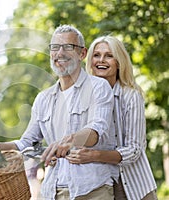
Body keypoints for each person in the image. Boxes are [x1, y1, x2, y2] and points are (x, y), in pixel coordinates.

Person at [0, 24, 118, 200]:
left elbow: (95, 131)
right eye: (55, 47)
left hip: (92, 190)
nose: (60, 53)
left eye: (68, 47)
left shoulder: (98, 87)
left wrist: (67, 141)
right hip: (53, 191)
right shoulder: (43, 99)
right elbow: (27, 144)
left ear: (82, 54)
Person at [66, 35, 157, 200]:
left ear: (119, 62)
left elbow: (134, 149)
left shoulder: (130, 96)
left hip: (131, 183)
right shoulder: (81, 96)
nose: (101, 60)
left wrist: (95, 155)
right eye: (96, 55)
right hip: (98, 184)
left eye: (109, 55)